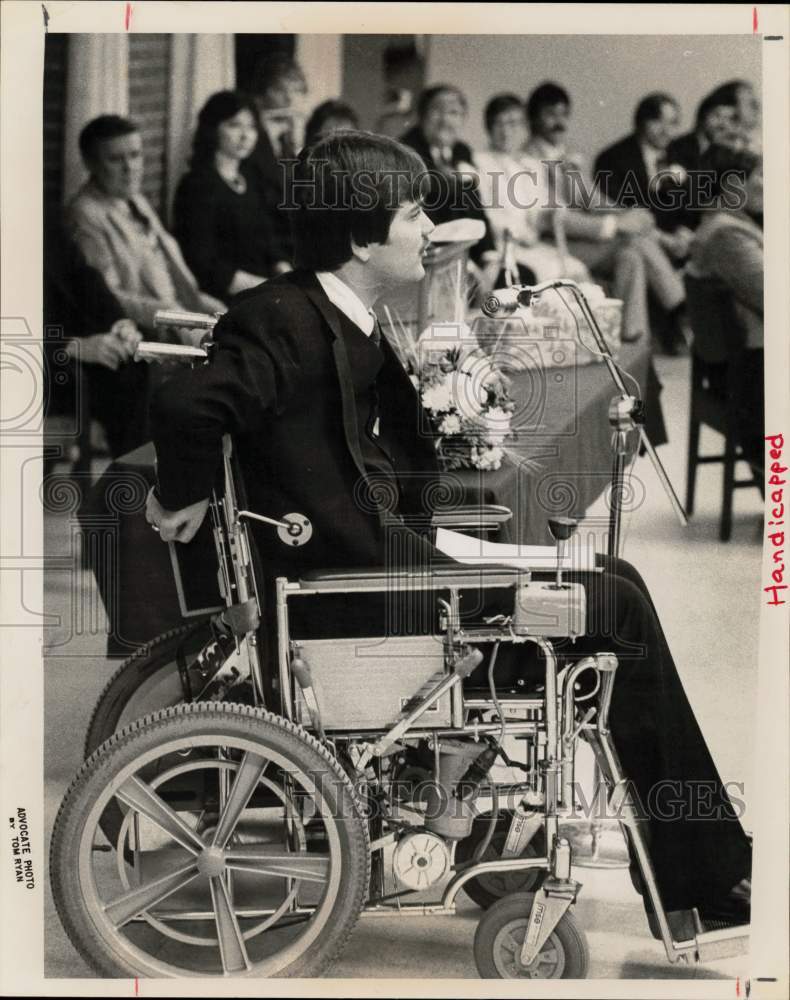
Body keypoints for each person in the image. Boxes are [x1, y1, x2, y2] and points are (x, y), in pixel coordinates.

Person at [146, 130, 751, 929]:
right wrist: (181, 495)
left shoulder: (332, 311)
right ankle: (703, 881)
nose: (429, 228)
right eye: (413, 214)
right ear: (362, 236)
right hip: (367, 602)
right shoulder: (283, 320)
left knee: (620, 586)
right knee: (616, 608)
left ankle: (708, 869)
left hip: (389, 571)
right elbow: (187, 403)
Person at [525, 82, 688, 355]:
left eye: (564, 114)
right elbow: (550, 219)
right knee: (631, 240)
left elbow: (592, 199)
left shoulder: (563, 155)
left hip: (580, 239)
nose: (559, 122)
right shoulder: (528, 159)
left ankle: (632, 343)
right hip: (552, 243)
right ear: (533, 118)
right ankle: (678, 304)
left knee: (631, 255)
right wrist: (619, 224)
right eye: (550, 114)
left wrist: (630, 216)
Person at [66, 115, 225, 334]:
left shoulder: (134, 198)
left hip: (182, 311)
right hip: (149, 331)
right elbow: (106, 296)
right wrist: (176, 317)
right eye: (115, 159)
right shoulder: (85, 214)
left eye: (135, 155)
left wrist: (204, 306)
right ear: (90, 163)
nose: (130, 168)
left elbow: (165, 266)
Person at [44, 214, 150, 458]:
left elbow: (82, 274)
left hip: (60, 359)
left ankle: (130, 487)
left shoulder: (36, 210)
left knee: (132, 364)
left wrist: (120, 324)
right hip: (25, 364)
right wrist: (72, 345)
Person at [686, 145, 764, 471]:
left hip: (745, 365)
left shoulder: (723, 224)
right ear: (733, 185)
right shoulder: (728, 234)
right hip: (750, 376)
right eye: (760, 176)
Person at [172, 91, 288, 300]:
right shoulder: (196, 186)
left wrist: (283, 269)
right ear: (213, 129)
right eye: (234, 125)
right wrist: (268, 288)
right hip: (226, 297)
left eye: (251, 127)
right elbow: (203, 263)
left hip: (267, 289)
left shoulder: (251, 177)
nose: (245, 135)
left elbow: (268, 239)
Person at [474, 93, 589, 284]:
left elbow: (541, 209)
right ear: (489, 128)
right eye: (498, 124)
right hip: (502, 246)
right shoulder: (479, 162)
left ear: (524, 127)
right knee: (551, 278)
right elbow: (484, 213)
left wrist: (553, 212)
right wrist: (520, 233)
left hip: (532, 245)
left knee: (578, 272)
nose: (505, 131)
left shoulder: (530, 164)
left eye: (513, 124)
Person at [400, 85, 500, 292]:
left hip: (462, 252)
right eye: (437, 111)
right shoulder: (406, 150)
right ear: (422, 116)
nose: (445, 120)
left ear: (463, 119)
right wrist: (466, 265)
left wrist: (490, 257)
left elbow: (476, 207)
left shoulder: (461, 151)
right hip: (426, 253)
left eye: (453, 113)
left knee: (513, 276)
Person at [594, 93, 695, 259]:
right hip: (635, 243)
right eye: (657, 121)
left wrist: (684, 231)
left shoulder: (680, 154)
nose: (666, 130)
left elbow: (690, 205)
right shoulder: (611, 159)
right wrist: (663, 239)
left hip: (679, 247)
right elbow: (617, 211)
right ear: (640, 122)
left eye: (672, 123)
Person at [247, 54, 309, 260]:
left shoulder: (285, 135)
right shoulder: (250, 134)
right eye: (280, 90)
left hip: (286, 241)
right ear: (261, 95)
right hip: (263, 245)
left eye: (295, 90)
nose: (289, 99)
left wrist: (298, 143)